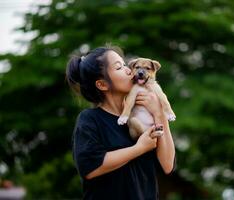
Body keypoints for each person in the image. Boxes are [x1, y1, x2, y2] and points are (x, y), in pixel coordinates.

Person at [65, 46, 176, 200]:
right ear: (102, 84)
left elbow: (167, 165)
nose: (129, 70)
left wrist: (159, 113)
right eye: (119, 67)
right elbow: (90, 168)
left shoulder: (145, 114)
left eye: (125, 64)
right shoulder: (90, 119)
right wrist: (139, 148)